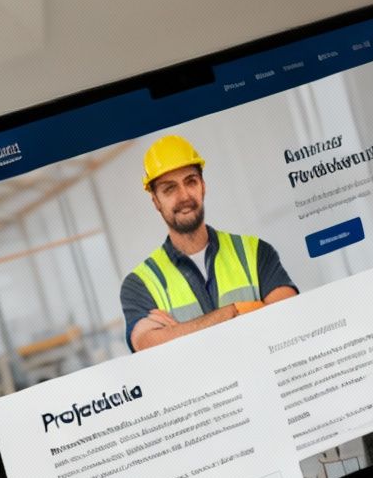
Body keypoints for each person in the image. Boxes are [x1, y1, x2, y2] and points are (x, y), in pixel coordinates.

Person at [119, 135, 299, 351]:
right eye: (169, 189)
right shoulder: (140, 284)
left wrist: (178, 332)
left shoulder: (255, 251)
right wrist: (234, 310)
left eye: (190, 182)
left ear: (203, 186)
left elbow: (289, 316)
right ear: (156, 201)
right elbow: (147, 346)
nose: (184, 196)